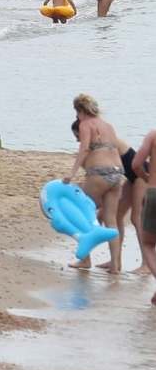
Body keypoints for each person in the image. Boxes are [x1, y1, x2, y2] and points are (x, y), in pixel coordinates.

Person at [69, 92, 131, 273]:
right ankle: (116, 265)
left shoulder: (85, 124)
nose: (77, 116)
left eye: (76, 112)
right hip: (117, 173)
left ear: (80, 110)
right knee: (111, 220)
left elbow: (85, 149)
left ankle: (85, 259)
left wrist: (72, 173)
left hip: (99, 173)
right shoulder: (108, 125)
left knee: (82, 213)